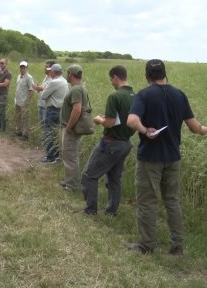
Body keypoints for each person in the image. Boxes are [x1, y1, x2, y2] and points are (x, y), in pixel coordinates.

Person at [126, 59, 207, 255]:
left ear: (147, 77)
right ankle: (177, 246)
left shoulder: (143, 95)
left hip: (150, 158)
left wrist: (145, 130)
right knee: (172, 201)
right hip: (173, 157)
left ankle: (146, 245)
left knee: (148, 201)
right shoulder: (179, 95)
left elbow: (131, 120)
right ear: (165, 74)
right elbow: (196, 127)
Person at [81, 65, 135, 215]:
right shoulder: (135, 96)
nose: (111, 82)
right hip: (126, 144)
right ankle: (111, 212)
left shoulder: (115, 96)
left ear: (115, 77)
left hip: (111, 143)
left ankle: (90, 210)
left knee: (89, 175)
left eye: (111, 79)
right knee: (114, 179)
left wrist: (99, 119)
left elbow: (110, 122)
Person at [60, 64, 89, 191]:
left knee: (70, 156)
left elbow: (76, 110)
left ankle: (72, 185)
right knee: (71, 155)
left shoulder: (76, 89)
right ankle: (70, 180)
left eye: (67, 73)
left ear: (71, 74)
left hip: (71, 129)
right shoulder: (80, 87)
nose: (67, 75)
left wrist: (69, 127)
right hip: (74, 128)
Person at [38, 63, 68, 163]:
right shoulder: (64, 81)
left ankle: (51, 157)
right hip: (60, 110)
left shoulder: (54, 82)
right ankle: (56, 156)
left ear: (54, 72)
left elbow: (43, 95)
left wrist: (45, 92)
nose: (49, 72)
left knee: (49, 133)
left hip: (52, 110)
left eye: (51, 70)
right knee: (55, 134)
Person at [13, 61, 34, 140]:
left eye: (24, 67)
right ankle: (18, 131)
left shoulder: (29, 77)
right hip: (17, 101)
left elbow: (31, 91)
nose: (22, 69)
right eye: (21, 67)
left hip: (24, 102)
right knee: (17, 117)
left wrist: (27, 101)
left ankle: (25, 135)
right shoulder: (19, 76)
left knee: (25, 119)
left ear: (27, 68)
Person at [33, 60, 55, 132]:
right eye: (45, 66)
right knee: (42, 126)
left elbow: (48, 91)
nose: (45, 68)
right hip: (40, 104)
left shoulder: (53, 79)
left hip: (46, 106)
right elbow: (44, 88)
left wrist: (41, 88)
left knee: (46, 126)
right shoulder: (46, 77)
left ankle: (46, 142)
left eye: (47, 67)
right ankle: (43, 141)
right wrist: (38, 87)